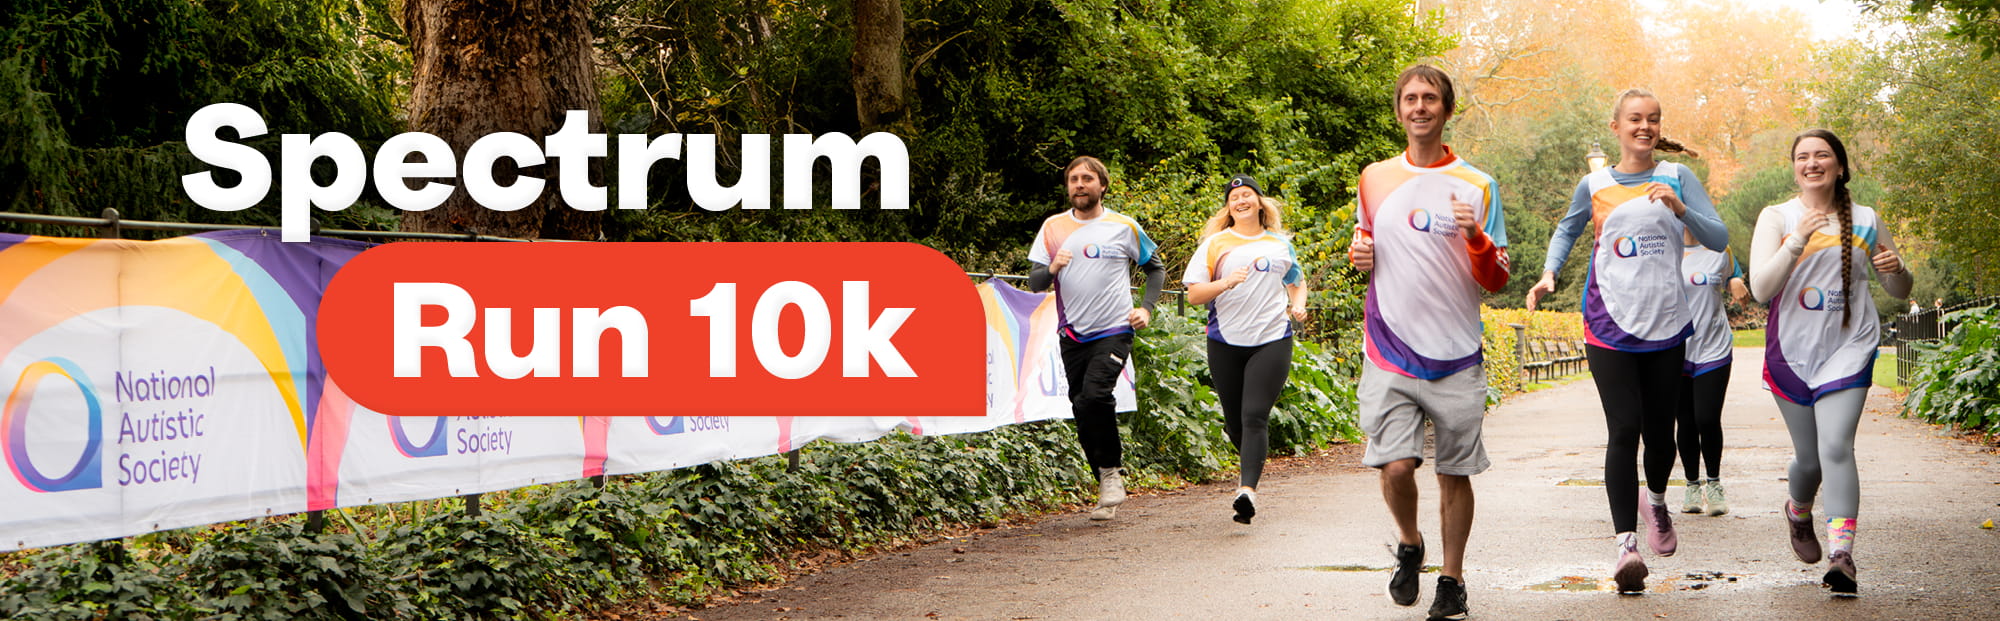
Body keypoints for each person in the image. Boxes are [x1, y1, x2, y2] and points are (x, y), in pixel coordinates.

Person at [1525, 88, 1728, 593]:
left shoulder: (1677, 177)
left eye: (1653, 120)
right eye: (1635, 119)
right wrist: (1549, 274)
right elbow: (1567, 231)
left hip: (1665, 324)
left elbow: (1719, 238)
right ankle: (1625, 547)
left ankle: (1656, 501)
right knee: (1625, 427)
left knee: (1661, 436)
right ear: (1616, 126)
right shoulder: (1593, 183)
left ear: (1660, 128)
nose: (1645, 127)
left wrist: (1682, 209)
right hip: (1607, 324)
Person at [1347, 64, 1509, 621]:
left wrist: (1475, 236)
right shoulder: (1372, 178)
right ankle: (1410, 543)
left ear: (1446, 108)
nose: (1420, 107)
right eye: (1410, 98)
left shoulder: (1479, 184)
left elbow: (1498, 278)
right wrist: (1359, 257)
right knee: (1394, 466)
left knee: (1454, 472)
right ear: (1399, 110)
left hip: (1456, 352)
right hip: (1388, 349)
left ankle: (1452, 578)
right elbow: (1363, 243)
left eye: (1430, 98)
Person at [1749, 129, 1912, 596]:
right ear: (1795, 167)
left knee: (1837, 445)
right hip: (1793, 352)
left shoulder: (1865, 218)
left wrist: (1898, 270)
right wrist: (1795, 240)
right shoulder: (1777, 216)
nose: (1812, 163)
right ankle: (1798, 510)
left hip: (1850, 347)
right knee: (1810, 459)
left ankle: (1843, 556)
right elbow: (1761, 289)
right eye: (1802, 156)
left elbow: (1900, 291)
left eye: (1822, 155)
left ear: (1840, 166)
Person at [1028, 155, 1167, 521]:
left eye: (1087, 178)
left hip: (1115, 328)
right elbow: (1035, 283)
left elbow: (1155, 268)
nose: (1079, 184)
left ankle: (1110, 474)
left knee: (1095, 394)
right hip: (1072, 332)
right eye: (1073, 178)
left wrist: (1147, 308)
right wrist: (1053, 266)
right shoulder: (1053, 228)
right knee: (1081, 405)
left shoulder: (1123, 227)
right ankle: (1107, 476)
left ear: (1102, 186)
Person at [1183, 174, 1309, 525]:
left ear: (1259, 202)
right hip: (1224, 341)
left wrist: (1298, 305)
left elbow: (1297, 283)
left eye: (1247, 195)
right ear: (1229, 207)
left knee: (1255, 415)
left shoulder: (1280, 244)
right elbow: (1194, 294)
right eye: (1234, 196)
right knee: (1236, 423)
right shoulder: (1215, 244)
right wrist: (1225, 282)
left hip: (1272, 338)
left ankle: (1246, 491)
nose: (1241, 200)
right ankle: (1250, 465)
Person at [1676, 231, 1747, 517]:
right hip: (1676, 350)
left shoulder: (1719, 250)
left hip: (1713, 348)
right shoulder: (1666, 248)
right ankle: (1692, 485)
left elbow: (1735, 271)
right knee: (1686, 421)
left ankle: (1715, 485)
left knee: (1707, 417)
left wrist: (1735, 280)